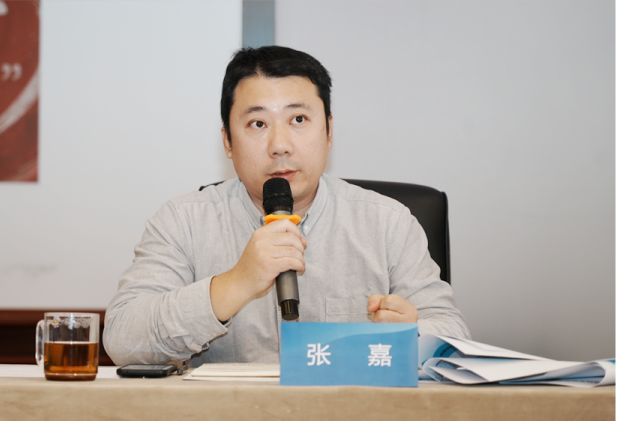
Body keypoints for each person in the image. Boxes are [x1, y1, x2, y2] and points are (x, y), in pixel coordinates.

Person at [104, 46, 470, 366]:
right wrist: (236, 283)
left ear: (329, 131)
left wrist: (414, 335)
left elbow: (453, 335)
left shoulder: (388, 223)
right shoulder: (182, 222)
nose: (279, 145)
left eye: (298, 119)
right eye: (258, 123)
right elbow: (123, 340)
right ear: (228, 142)